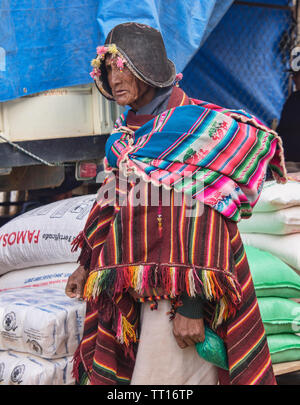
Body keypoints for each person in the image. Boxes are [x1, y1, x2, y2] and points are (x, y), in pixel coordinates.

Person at [65, 22, 287, 385]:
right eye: (107, 70)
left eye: (121, 67)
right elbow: (111, 204)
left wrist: (191, 306)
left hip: (178, 297)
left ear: (146, 68)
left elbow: (208, 218)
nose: (114, 79)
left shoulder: (193, 130)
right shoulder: (126, 138)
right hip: (134, 286)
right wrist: (86, 263)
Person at [277, 67, 300, 179]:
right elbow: (281, 131)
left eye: (296, 75)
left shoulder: (294, 99)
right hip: (289, 160)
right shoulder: (294, 98)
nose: (293, 79)